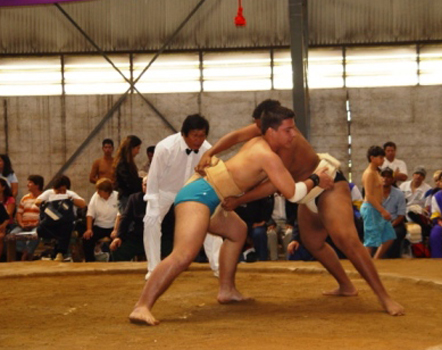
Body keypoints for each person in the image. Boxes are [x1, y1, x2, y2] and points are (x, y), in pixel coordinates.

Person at [129, 106, 335, 326]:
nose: (294, 135)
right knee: (184, 254)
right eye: (288, 130)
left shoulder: (265, 145)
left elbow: (268, 183)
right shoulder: (267, 155)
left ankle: (226, 290)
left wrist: (215, 160)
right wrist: (315, 179)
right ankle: (142, 306)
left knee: (238, 231)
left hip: (213, 197)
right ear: (271, 131)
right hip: (198, 195)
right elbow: (293, 193)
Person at [199, 100, 404, 316]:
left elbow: (273, 185)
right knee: (313, 242)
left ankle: (385, 298)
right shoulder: (266, 132)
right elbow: (235, 136)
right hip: (306, 192)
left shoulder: (285, 140)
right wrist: (210, 152)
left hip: (326, 185)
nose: (256, 132)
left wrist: (239, 200)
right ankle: (346, 286)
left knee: (346, 239)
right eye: (258, 127)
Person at [143, 114, 221, 280]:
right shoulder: (165, 147)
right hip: (164, 190)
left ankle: (219, 266)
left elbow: (213, 176)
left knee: (210, 221)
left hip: (192, 191)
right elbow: (154, 176)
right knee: (151, 220)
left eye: (202, 135)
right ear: (184, 134)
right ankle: (154, 269)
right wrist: (153, 203)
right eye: (195, 135)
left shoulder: (208, 149)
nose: (199, 140)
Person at [35, 175, 86, 261]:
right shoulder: (48, 193)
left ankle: (61, 252)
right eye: (59, 190)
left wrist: (71, 200)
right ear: (54, 188)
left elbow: (83, 204)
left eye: (64, 190)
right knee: (41, 229)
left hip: (66, 222)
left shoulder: (70, 194)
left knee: (66, 227)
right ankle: (55, 251)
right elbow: (37, 202)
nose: (61, 192)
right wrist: (48, 202)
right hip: (51, 222)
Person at [361, 149, 396, 259]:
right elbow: (369, 195)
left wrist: (381, 209)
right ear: (372, 158)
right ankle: (364, 265)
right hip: (371, 208)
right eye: (381, 157)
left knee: (390, 236)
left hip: (377, 207)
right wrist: (382, 210)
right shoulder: (369, 173)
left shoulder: (376, 172)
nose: (383, 160)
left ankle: (375, 260)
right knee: (370, 240)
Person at [110, 176, 148, 261]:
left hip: (159, 237)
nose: (147, 187)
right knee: (118, 249)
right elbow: (125, 218)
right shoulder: (134, 198)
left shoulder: (164, 199)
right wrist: (118, 237)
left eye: (150, 185)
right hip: (138, 237)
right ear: (142, 185)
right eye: (145, 185)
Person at [83, 178, 119, 262]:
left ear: (107, 192)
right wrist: (89, 229)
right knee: (86, 239)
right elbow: (90, 213)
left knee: (118, 239)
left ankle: (113, 261)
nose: (98, 193)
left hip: (113, 226)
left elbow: (119, 215)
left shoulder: (117, 196)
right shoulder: (95, 196)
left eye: (100, 191)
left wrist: (116, 230)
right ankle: (90, 262)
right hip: (99, 226)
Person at [10, 175, 44, 261]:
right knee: (11, 236)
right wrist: (21, 223)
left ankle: (26, 254)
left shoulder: (44, 198)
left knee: (36, 234)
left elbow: (46, 216)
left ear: (37, 185)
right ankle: (26, 251)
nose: (27, 184)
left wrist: (36, 224)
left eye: (30, 182)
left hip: (37, 225)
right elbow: (19, 213)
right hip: (23, 225)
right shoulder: (25, 197)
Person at [380, 167, 406, 258]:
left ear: (392, 179)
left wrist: (390, 226)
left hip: (394, 223)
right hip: (377, 223)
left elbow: (401, 215)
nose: (385, 179)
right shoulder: (373, 193)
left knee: (395, 232)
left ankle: (394, 259)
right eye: (383, 176)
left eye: (388, 177)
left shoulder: (399, 194)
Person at [113, 135, 142, 212]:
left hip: (129, 197)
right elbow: (130, 182)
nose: (138, 151)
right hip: (126, 198)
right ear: (131, 148)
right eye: (137, 148)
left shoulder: (128, 163)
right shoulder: (122, 164)